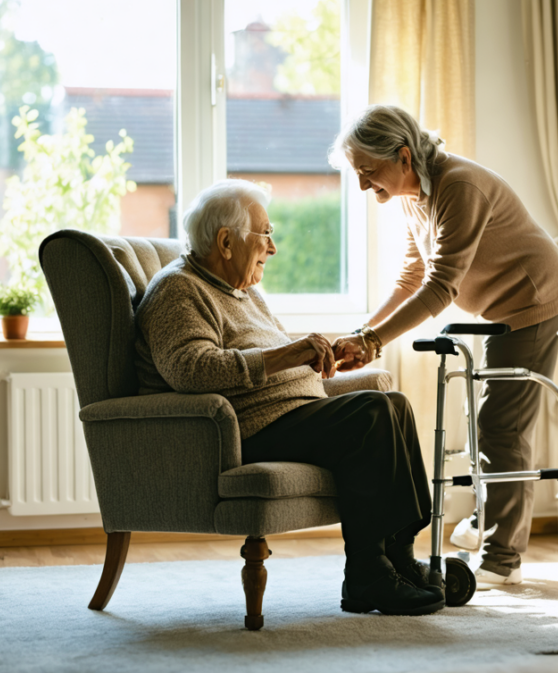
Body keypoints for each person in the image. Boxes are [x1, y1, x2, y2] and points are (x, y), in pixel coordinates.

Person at [134, 179, 443, 616]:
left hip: (290, 414)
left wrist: (315, 359)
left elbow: (273, 357)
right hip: (249, 427)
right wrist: (292, 352)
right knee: (372, 411)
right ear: (226, 241)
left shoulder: (243, 292)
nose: (272, 248)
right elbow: (191, 369)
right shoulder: (178, 290)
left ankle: (399, 557)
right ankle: (367, 574)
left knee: (394, 404)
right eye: (265, 233)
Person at [330, 105, 558, 589]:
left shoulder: (458, 186)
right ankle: (489, 520)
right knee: (483, 421)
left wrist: (374, 340)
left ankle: (502, 557)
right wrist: (364, 333)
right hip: (498, 308)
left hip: (534, 298)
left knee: (500, 425)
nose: (362, 186)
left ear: (402, 156)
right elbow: (413, 274)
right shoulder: (410, 194)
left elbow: (441, 287)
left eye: (368, 172)